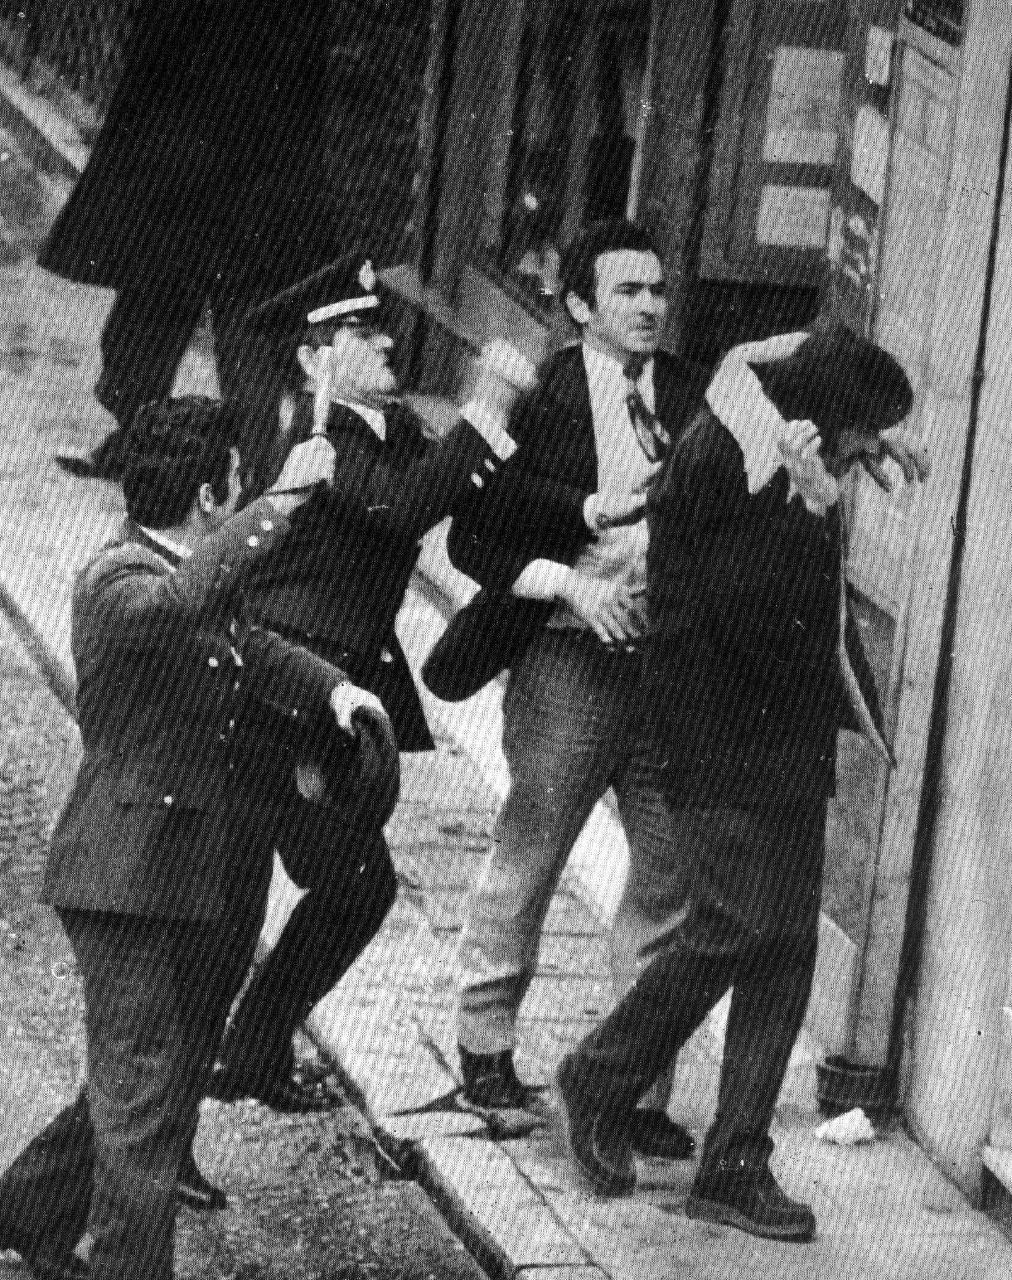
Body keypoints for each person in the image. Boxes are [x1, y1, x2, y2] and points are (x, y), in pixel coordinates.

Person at [551, 321, 930, 1242]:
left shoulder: (776, 427)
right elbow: (753, 615)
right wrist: (813, 509)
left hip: (782, 735)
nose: (865, 451)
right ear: (820, 419)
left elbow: (782, 351)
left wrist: (857, 452)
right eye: (861, 431)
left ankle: (734, 1163)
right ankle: (600, 1075)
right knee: (732, 921)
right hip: (714, 731)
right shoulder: (731, 456)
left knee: (787, 941)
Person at [0, 396, 388, 1280]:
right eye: (240, 482)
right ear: (214, 495)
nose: (245, 491)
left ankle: (28, 1207)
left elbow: (251, 645)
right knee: (144, 1102)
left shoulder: (199, 579)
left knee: (155, 1079)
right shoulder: (119, 580)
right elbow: (183, 605)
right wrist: (285, 500)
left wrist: (337, 689)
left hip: (180, 873)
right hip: (118, 879)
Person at [205, 255, 539, 1110]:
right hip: (272, 698)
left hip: (323, 703)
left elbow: (454, 492)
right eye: (361, 331)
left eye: (381, 326)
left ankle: (249, 1052)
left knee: (348, 886)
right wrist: (486, 406)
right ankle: (197, 1079)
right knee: (252, 904)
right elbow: (402, 509)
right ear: (313, 359)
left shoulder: (390, 431)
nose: (387, 341)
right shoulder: (312, 438)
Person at [431, 218, 707, 1162]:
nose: (649, 306)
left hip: (665, 671)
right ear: (582, 305)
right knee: (534, 847)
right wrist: (574, 588)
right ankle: (485, 1052)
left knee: (668, 877)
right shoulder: (545, 399)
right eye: (627, 291)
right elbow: (474, 539)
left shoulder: (690, 394)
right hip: (567, 663)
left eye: (657, 289)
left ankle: (633, 1085)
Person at [42, 0, 343, 481]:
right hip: (184, 143)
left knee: (245, 320)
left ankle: (259, 476)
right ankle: (140, 444)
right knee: (152, 303)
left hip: (249, 148)